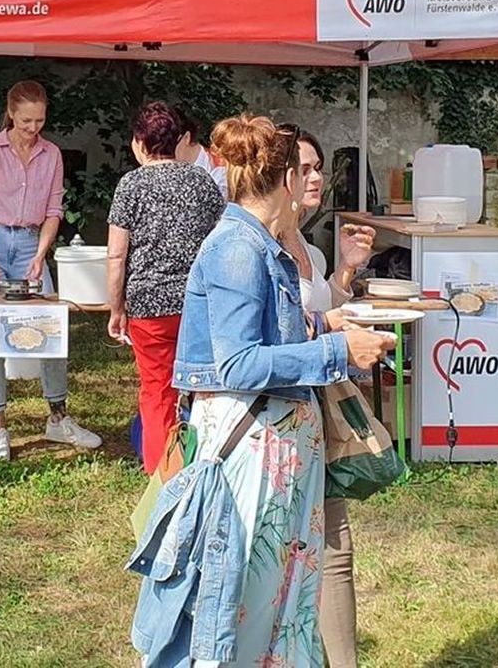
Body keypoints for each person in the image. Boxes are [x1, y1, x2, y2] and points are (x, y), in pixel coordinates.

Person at [129, 115, 395, 668]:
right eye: (304, 172)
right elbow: (238, 363)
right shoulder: (236, 248)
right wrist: (337, 352)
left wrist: (326, 325)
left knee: (278, 611)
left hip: (278, 457)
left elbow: (271, 332)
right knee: (240, 610)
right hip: (250, 459)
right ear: (287, 180)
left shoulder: (261, 244)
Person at [277, 124, 375, 668]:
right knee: (273, 553)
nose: (316, 178)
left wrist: (345, 271)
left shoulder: (307, 248)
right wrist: (334, 330)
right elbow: (277, 338)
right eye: (306, 169)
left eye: (319, 168)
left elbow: (323, 311)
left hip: (319, 412)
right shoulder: (259, 247)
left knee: (335, 546)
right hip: (275, 423)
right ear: (279, 176)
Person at [0, 80, 101, 460]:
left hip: (29, 240)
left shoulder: (51, 154)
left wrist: (41, 255)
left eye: (39, 120)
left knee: (51, 325)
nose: (33, 128)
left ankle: (58, 417)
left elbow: (54, 211)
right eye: (26, 121)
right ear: (11, 114)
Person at [105, 101, 226, 473]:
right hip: (198, 303)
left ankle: (163, 476)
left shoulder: (131, 185)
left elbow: (116, 255)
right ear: (178, 140)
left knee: (157, 392)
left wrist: (116, 308)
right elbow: (220, 243)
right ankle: (207, 467)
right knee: (206, 390)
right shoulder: (203, 181)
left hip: (148, 307)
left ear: (140, 143)